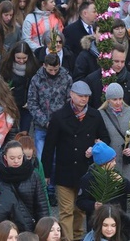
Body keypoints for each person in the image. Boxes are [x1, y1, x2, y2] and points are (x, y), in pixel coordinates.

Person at [41, 81, 110, 241]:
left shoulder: (94, 115)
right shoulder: (59, 116)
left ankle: (78, 238)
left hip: (85, 172)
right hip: (64, 171)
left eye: (86, 96)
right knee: (66, 210)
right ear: (71, 95)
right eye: (80, 96)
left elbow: (105, 138)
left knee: (80, 209)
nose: (84, 99)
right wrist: (45, 173)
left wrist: (95, 148)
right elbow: (49, 146)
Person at [0, 141, 50, 232]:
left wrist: (44, 229)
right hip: (5, 228)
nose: (16, 161)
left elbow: (41, 205)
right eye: (12, 158)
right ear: (5, 157)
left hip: (29, 227)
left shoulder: (33, 175)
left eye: (19, 157)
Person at [99, 83, 130, 185]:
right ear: (108, 99)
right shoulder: (101, 114)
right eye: (114, 99)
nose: (118, 102)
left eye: (120, 98)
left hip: (127, 162)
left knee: (127, 194)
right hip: (108, 163)